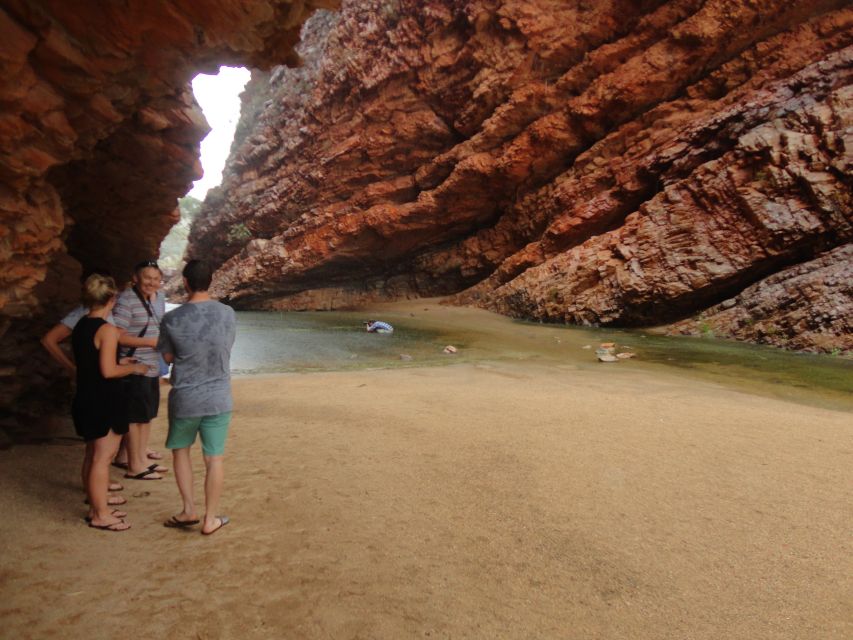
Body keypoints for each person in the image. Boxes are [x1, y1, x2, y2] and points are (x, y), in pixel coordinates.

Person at [158, 260, 236, 535]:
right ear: (211, 281)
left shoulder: (172, 319)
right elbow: (225, 347)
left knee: (182, 452)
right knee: (214, 458)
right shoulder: (227, 314)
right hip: (218, 397)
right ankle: (210, 518)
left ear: (186, 282)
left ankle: (188, 509)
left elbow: (166, 358)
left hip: (186, 398)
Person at [72, 274, 149, 531]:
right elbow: (108, 371)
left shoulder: (82, 325)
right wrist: (133, 368)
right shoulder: (107, 330)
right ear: (112, 299)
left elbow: (92, 362)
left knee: (92, 454)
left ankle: (96, 504)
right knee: (102, 459)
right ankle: (100, 514)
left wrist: (120, 363)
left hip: (85, 396)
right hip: (104, 400)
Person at [114, 260, 168, 480]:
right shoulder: (127, 300)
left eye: (156, 279)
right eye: (147, 278)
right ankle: (134, 465)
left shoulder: (155, 299)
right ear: (135, 278)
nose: (152, 283)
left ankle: (139, 459)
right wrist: (151, 343)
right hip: (135, 366)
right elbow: (116, 335)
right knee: (135, 418)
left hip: (152, 366)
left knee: (146, 416)